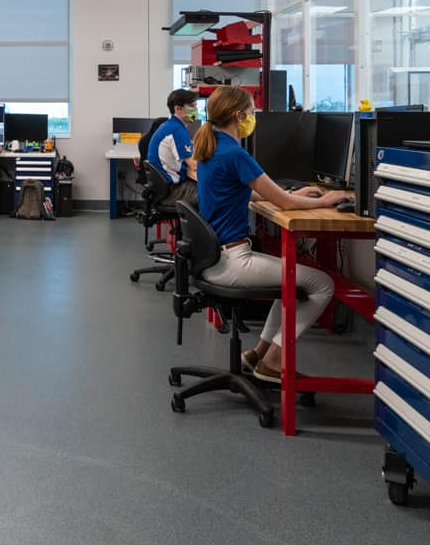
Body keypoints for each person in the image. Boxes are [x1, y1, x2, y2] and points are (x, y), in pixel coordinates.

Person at [193, 85, 350, 383]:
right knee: (321, 284)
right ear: (239, 117)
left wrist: (291, 193)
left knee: (291, 278)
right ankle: (274, 361)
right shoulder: (235, 154)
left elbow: (241, 194)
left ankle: (258, 354)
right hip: (233, 261)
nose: (254, 119)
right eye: (252, 113)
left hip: (215, 258)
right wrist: (325, 200)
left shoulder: (211, 146)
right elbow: (286, 203)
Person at [147, 88, 200, 207]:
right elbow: (194, 165)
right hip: (173, 192)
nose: (196, 110)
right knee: (215, 193)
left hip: (164, 190)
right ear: (177, 109)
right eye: (192, 106)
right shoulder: (176, 130)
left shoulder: (170, 125)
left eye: (196, 106)